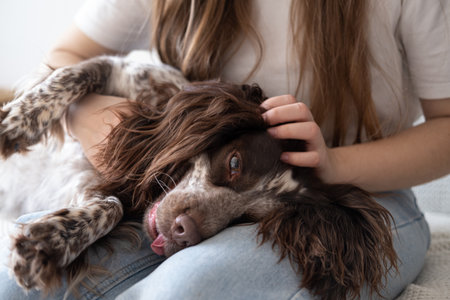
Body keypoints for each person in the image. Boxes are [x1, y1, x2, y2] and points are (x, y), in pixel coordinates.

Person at [1, 0, 449, 299]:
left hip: (349, 201)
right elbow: (63, 57)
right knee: (15, 282)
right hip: (178, 173)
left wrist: (333, 163)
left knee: (191, 289)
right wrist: (101, 126)